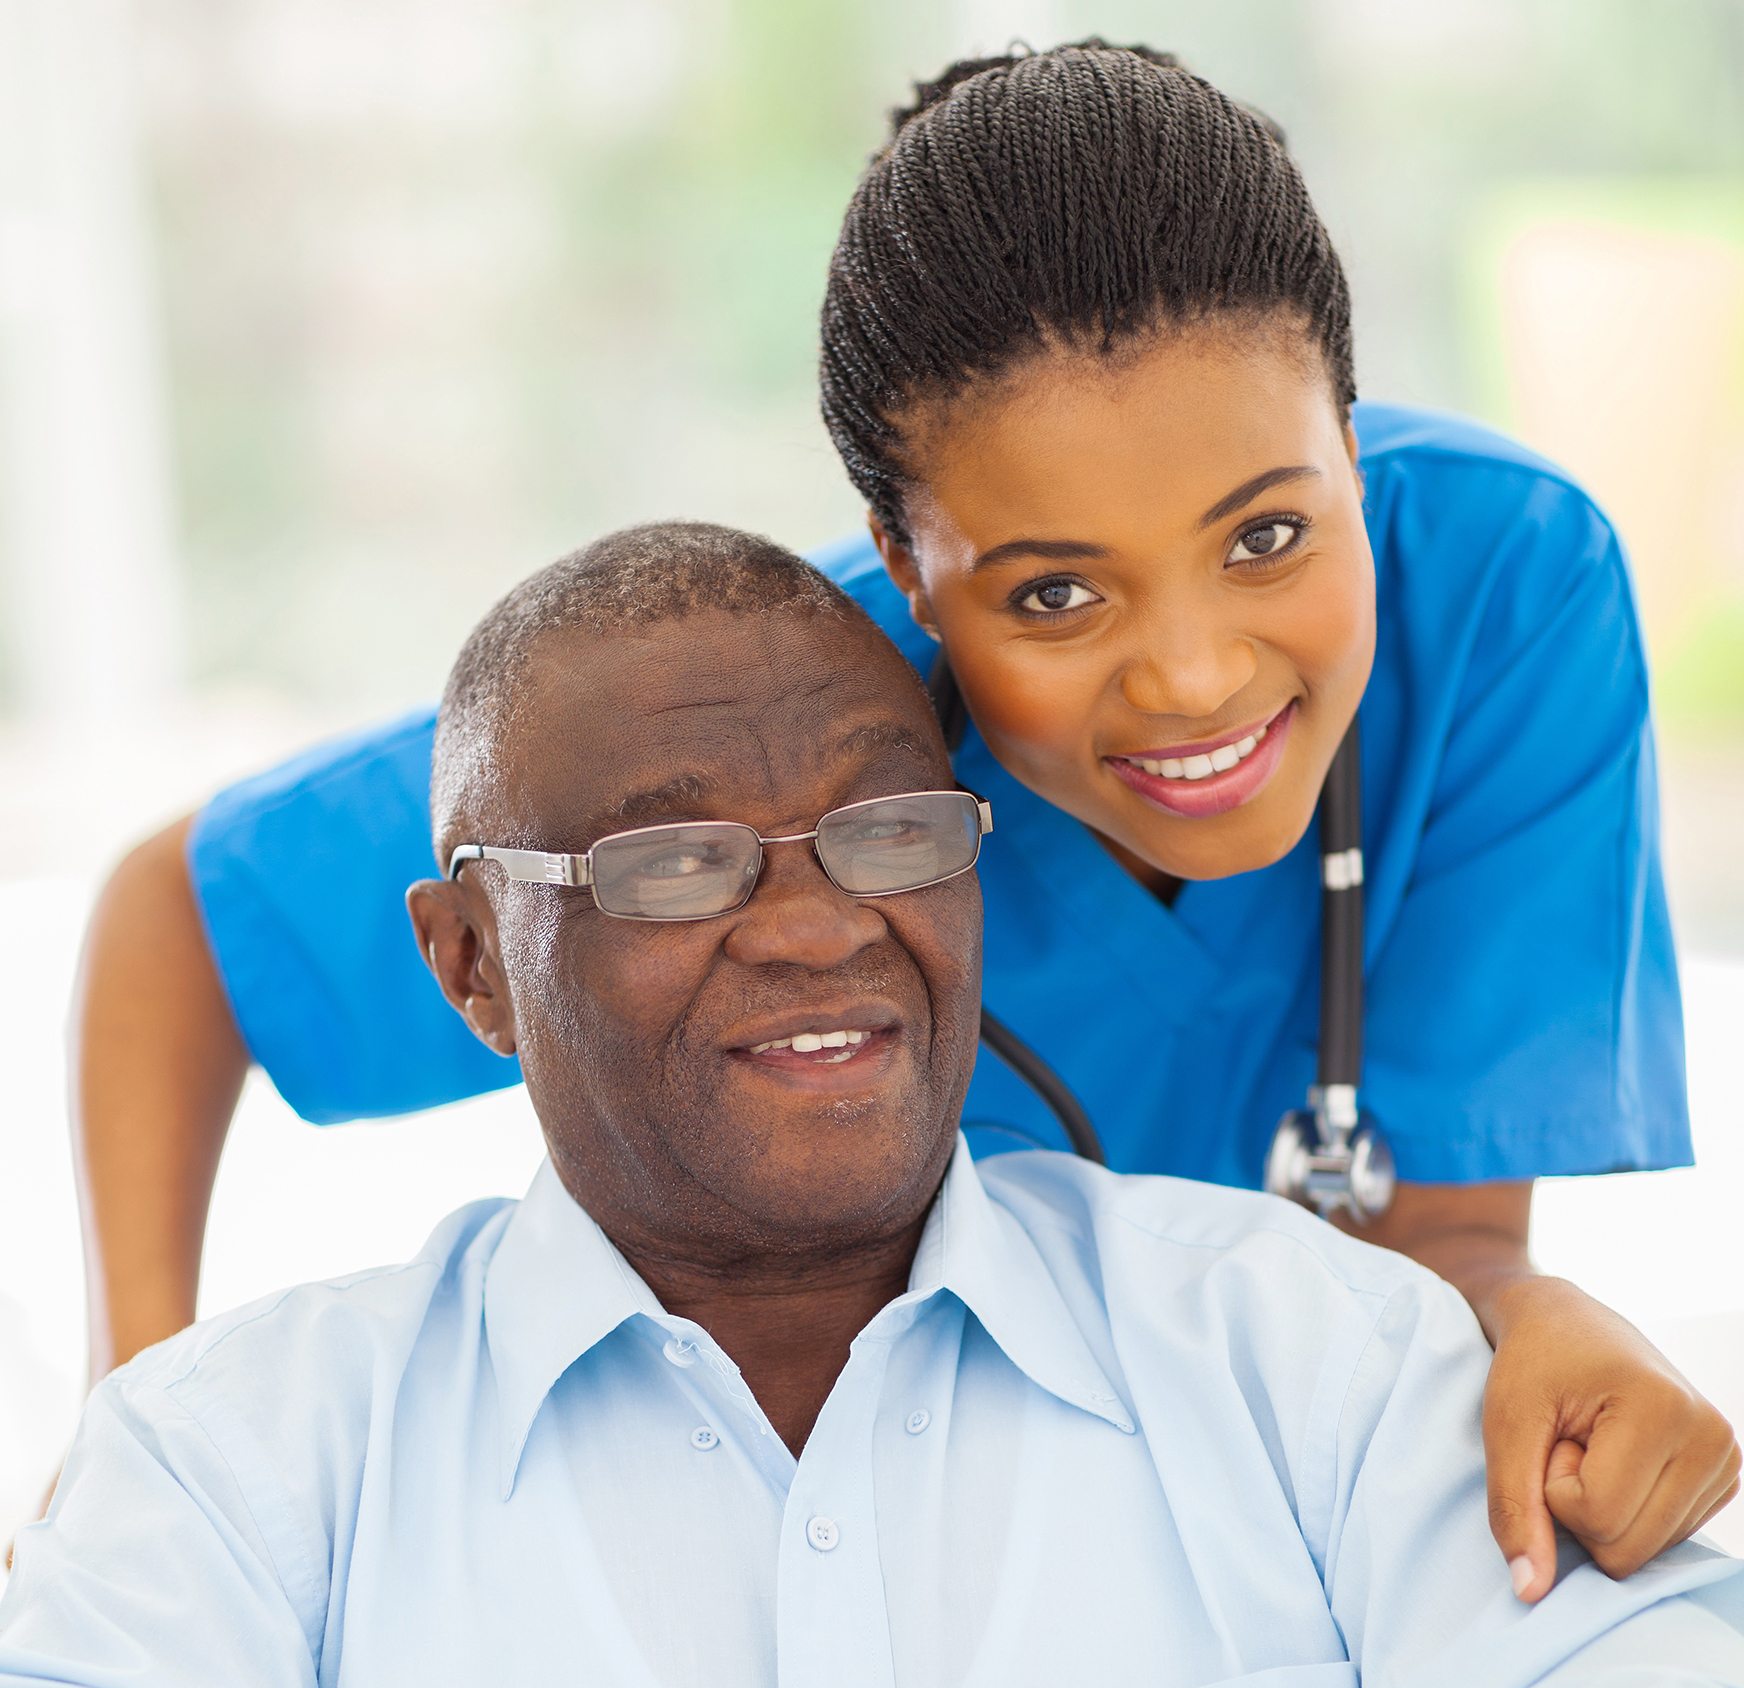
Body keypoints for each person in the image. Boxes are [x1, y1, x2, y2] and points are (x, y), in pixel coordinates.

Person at [65, 43, 1738, 1601]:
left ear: (1350, 435)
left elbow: (1436, 1236)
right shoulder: (780, 723)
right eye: (1056, 591)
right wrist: (132, 1430)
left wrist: (1548, 1324)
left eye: (1269, 536)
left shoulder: (1507, 588)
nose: (1196, 676)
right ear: (905, 559)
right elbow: (180, 918)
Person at [5, 524, 1743, 1688]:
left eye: (889, 831)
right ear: (471, 963)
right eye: (674, 863)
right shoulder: (231, 1476)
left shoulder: (1313, 1355)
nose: (819, 922)